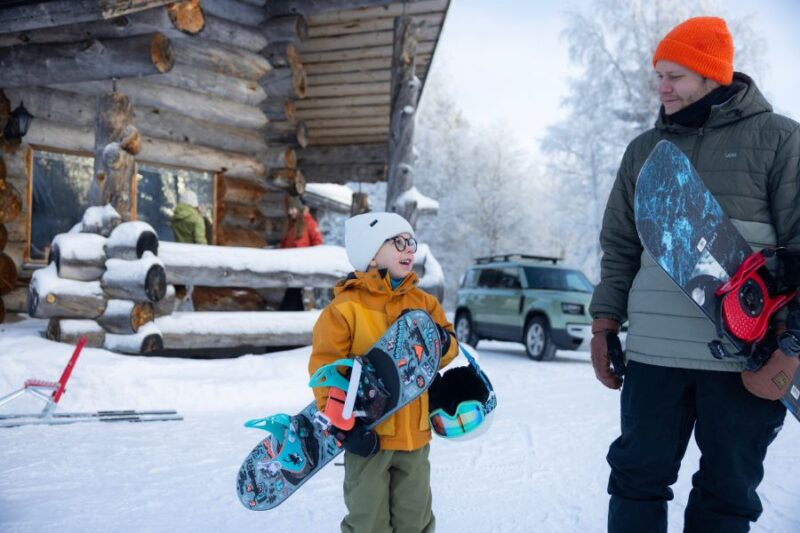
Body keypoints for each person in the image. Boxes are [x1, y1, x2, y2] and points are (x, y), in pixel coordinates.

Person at [589, 16, 800, 533]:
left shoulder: (778, 140)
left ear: (712, 76)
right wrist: (604, 323)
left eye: (675, 76)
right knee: (636, 479)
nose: (662, 87)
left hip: (742, 358)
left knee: (727, 492)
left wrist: (790, 343)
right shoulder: (644, 151)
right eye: (658, 75)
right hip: (654, 356)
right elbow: (619, 244)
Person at [308, 212, 459, 533]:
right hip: (368, 436)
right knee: (368, 521)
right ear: (372, 252)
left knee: (415, 519)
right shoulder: (344, 309)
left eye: (411, 242)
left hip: (415, 436)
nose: (409, 250)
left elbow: (449, 349)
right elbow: (326, 369)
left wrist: (443, 341)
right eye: (399, 242)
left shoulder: (424, 302)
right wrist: (343, 428)